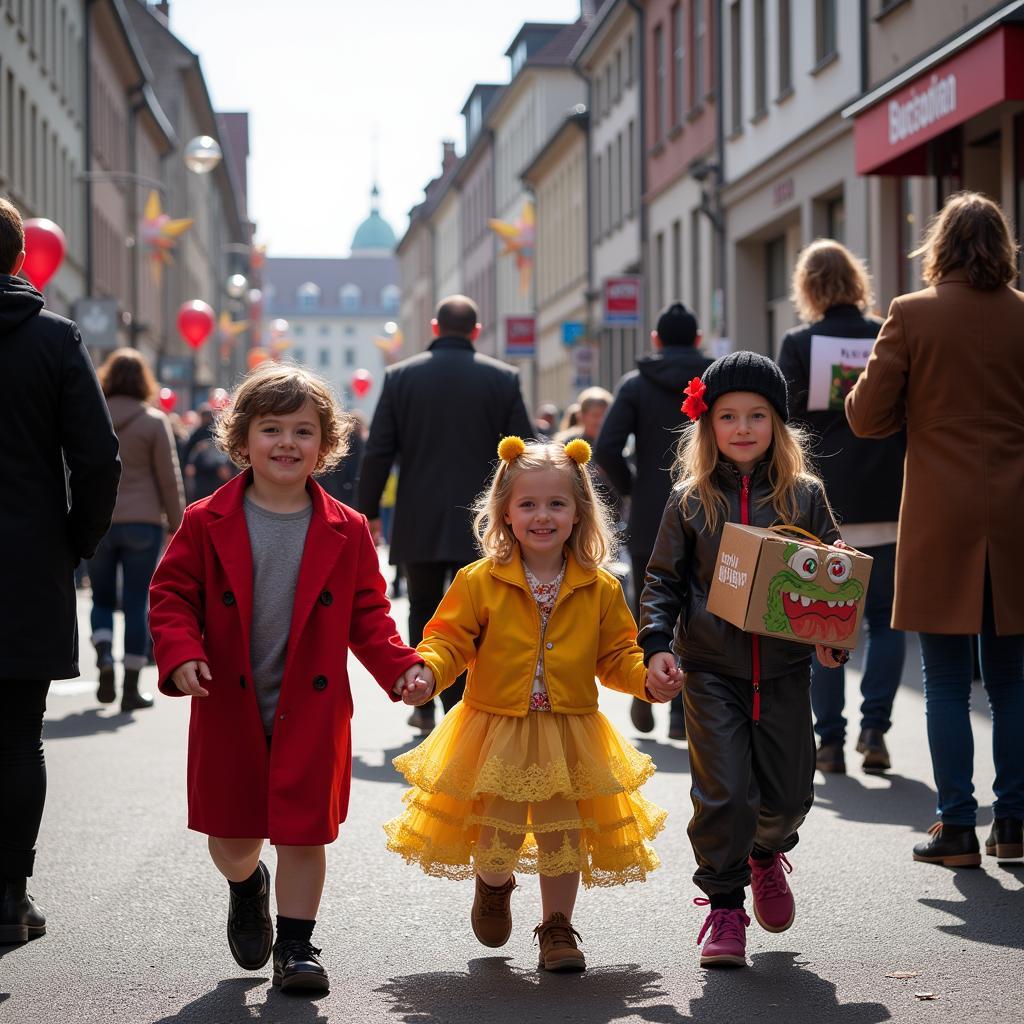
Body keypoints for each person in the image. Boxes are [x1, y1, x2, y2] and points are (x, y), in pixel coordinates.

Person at [148, 364, 427, 993]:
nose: (285, 443)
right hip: (229, 703)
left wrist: (401, 665)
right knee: (233, 836)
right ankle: (248, 885)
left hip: (311, 707)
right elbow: (171, 596)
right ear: (241, 439)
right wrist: (181, 651)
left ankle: (298, 947)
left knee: (304, 832)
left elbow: (368, 615)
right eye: (270, 429)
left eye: (303, 431)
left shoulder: (347, 529)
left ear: (324, 446)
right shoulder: (204, 519)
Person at [384, 437, 666, 973]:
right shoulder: (478, 580)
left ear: (580, 513)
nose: (543, 515)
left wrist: (647, 680)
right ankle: (494, 885)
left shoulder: (600, 586)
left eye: (557, 504)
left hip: (569, 730)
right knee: (500, 829)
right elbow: (449, 640)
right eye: (529, 505)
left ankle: (557, 928)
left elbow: (617, 654)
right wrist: (427, 669)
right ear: (506, 513)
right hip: (497, 728)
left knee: (565, 833)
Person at [638, 351, 845, 968]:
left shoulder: (805, 496)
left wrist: (833, 629)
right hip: (711, 671)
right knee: (724, 794)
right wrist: (655, 646)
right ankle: (725, 906)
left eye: (758, 415)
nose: (744, 428)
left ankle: (766, 854)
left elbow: (834, 576)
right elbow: (662, 581)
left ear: (778, 425)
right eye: (728, 416)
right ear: (708, 425)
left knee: (787, 798)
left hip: (784, 670)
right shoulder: (690, 499)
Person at [846, 191, 1024, 867]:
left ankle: (956, 827)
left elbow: (866, 416)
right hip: (1015, 515)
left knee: (947, 679)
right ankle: (1014, 823)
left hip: (939, 515)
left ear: (939, 247)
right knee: (1010, 680)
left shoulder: (911, 314)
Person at [0, 196, 120, 944]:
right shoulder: (51, 340)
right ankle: (9, 897)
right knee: (16, 737)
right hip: (23, 564)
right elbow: (97, 458)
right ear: (19, 258)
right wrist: (74, 541)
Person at [357, 294, 533, 733]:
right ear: (475, 331)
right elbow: (524, 452)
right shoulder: (503, 379)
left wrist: (367, 511)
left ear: (435, 328)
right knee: (481, 609)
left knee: (423, 605)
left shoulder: (400, 377)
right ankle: (463, 702)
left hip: (420, 513)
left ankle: (424, 698)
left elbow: (379, 450)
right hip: (485, 518)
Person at [778, 241, 907, 775]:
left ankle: (828, 741)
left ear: (807, 287)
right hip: (891, 496)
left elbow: (782, 421)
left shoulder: (801, 343)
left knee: (822, 622)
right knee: (887, 619)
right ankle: (875, 727)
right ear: (857, 281)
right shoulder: (887, 331)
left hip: (825, 504)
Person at [596, 302, 712, 741]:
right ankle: (684, 712)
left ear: (656, 341)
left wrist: (632, 487)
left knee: (654, 602)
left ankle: (647, 686)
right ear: (698, 340)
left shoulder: (635, 384)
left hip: (652, 511)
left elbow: (607, 445)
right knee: (699, 607)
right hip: (709, 507)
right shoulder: (714, 379)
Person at [89, 348, 184, 712]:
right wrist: (178, 524)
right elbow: (169, 477)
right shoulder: (154, 420)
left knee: (100, 598)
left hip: (99, 520)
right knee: (135, 601)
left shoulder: (92, 414)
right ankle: (130, 687)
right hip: (143, 522)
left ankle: (103, 656)